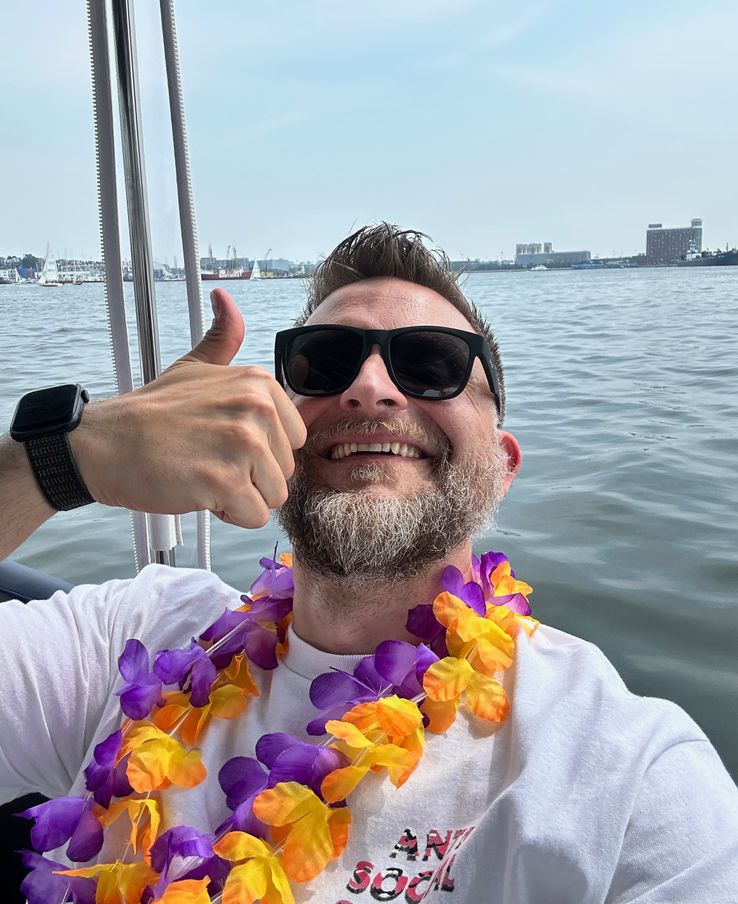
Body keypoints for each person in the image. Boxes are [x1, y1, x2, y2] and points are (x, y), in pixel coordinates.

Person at [1, 224, 736, 904]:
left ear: (504, 467)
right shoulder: (129, 631)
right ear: (271, 432)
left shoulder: (625, 770)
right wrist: (55, 463)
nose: (372, 387)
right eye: (324, 362)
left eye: (433, 364)